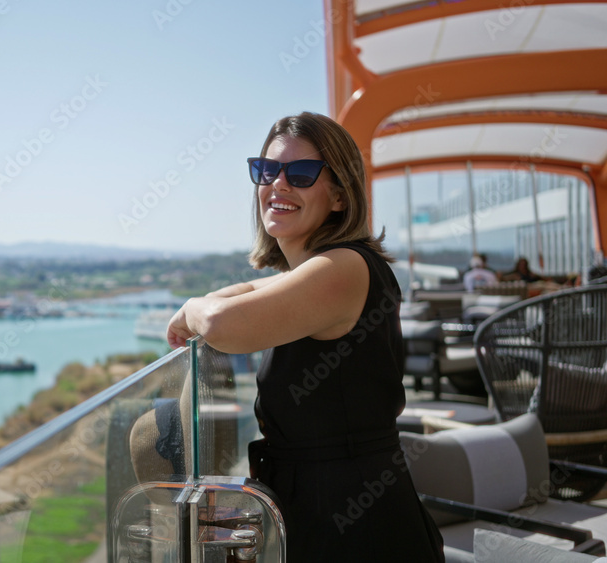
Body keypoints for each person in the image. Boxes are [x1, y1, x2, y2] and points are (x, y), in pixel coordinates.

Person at [166, 112, 444, 561]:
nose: (278, 184)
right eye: (266, 170)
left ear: (338, 195)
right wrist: (204, 304)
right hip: (326, 512)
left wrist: (190, 310)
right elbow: (247, 291)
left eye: (299, 173)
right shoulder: (316, 273)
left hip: (357, 529)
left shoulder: (345, 269)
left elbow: (221, 324)